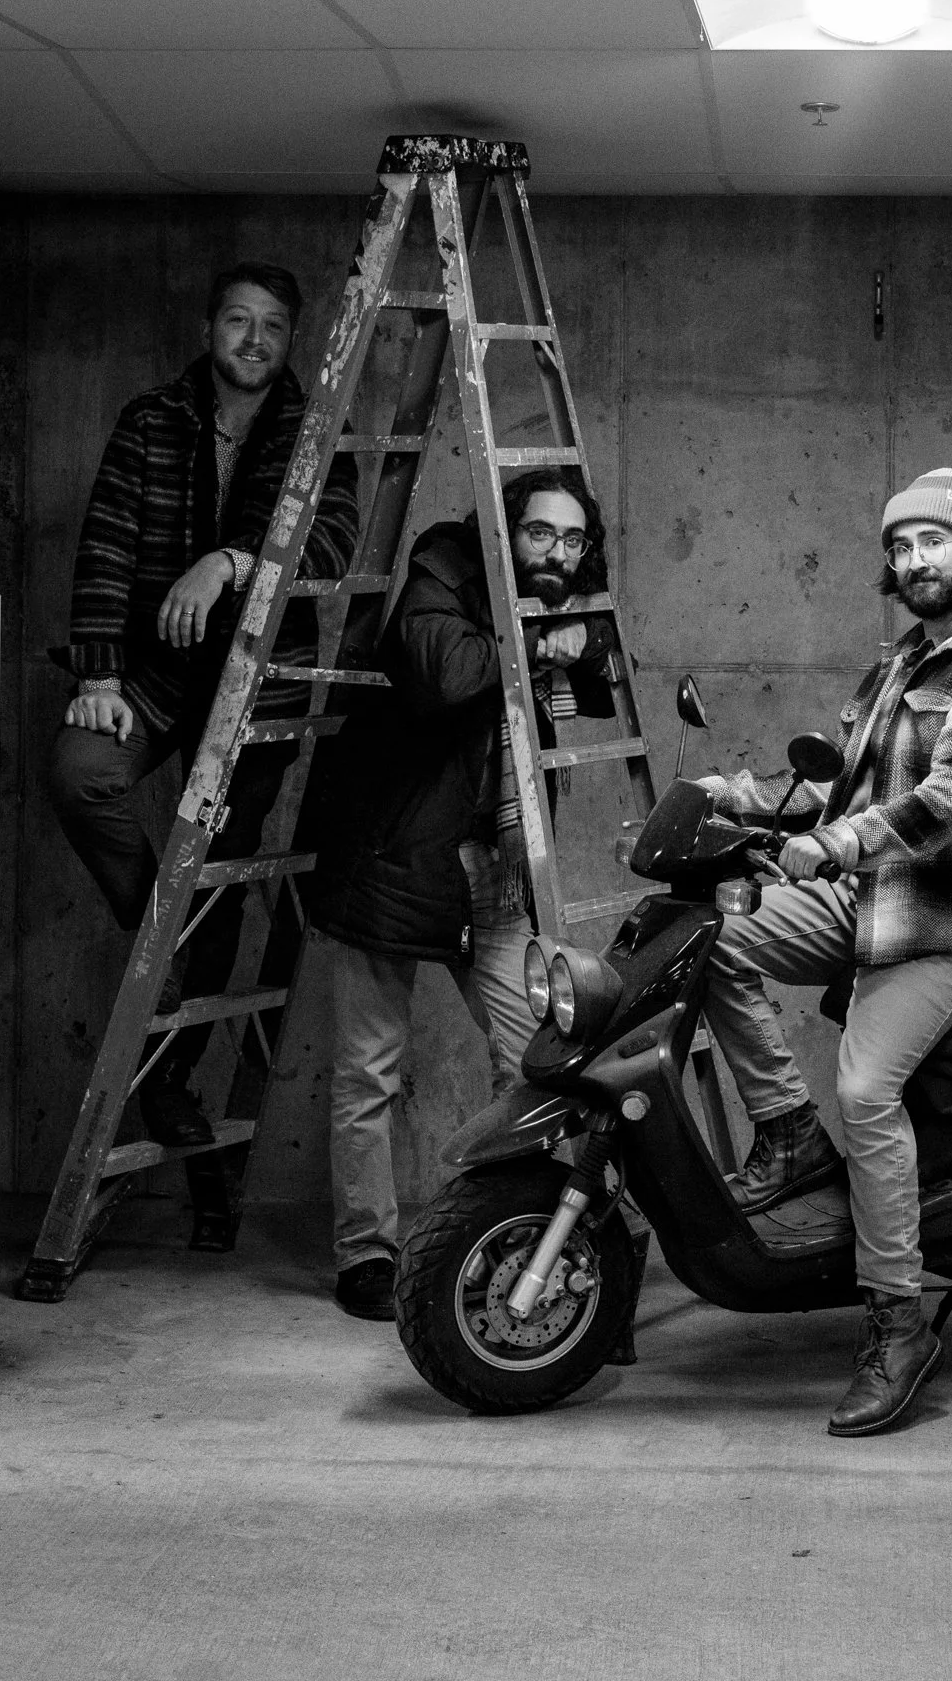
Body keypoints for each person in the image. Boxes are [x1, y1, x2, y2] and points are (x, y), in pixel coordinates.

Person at [698, 468, 952, 1436]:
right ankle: (785, 1129)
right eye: (899, 545)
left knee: (866, 1090)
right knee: (710, 938)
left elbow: (944, 803)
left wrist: (834, 846)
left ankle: (896, 1320)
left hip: (946, 916)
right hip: (867, 900)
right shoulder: (897, 662)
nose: (912, 559)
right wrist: (746, 796)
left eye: (933, 541)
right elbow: (843, 793)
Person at [49, 262, 359, 1148]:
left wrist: (229, 561)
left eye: (271, 325)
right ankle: (168, 951)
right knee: (80, 771)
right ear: (209, 329)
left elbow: (333, 543)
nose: (253, 339)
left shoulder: (316, 429)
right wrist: (99, 679)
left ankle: (175, 1075)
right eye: (237, 320)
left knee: (218, 876)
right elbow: (105, 543)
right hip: (153, 671)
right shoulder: (152, 418)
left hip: (257, 681)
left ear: (291, 339)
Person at [302, 467, 619, 1320]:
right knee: (370, 1071)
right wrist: (545, 640)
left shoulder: (564, 592)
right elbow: (446, 673)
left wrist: (573, 642)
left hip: (493, 868)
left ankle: (511, 1229)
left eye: (572, 539)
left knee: (532, 1060)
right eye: (539, 535)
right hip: (398, 861)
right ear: (505, 535)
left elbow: (602, 673)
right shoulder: (441, 573)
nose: (556, 553)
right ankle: (365, 1255)